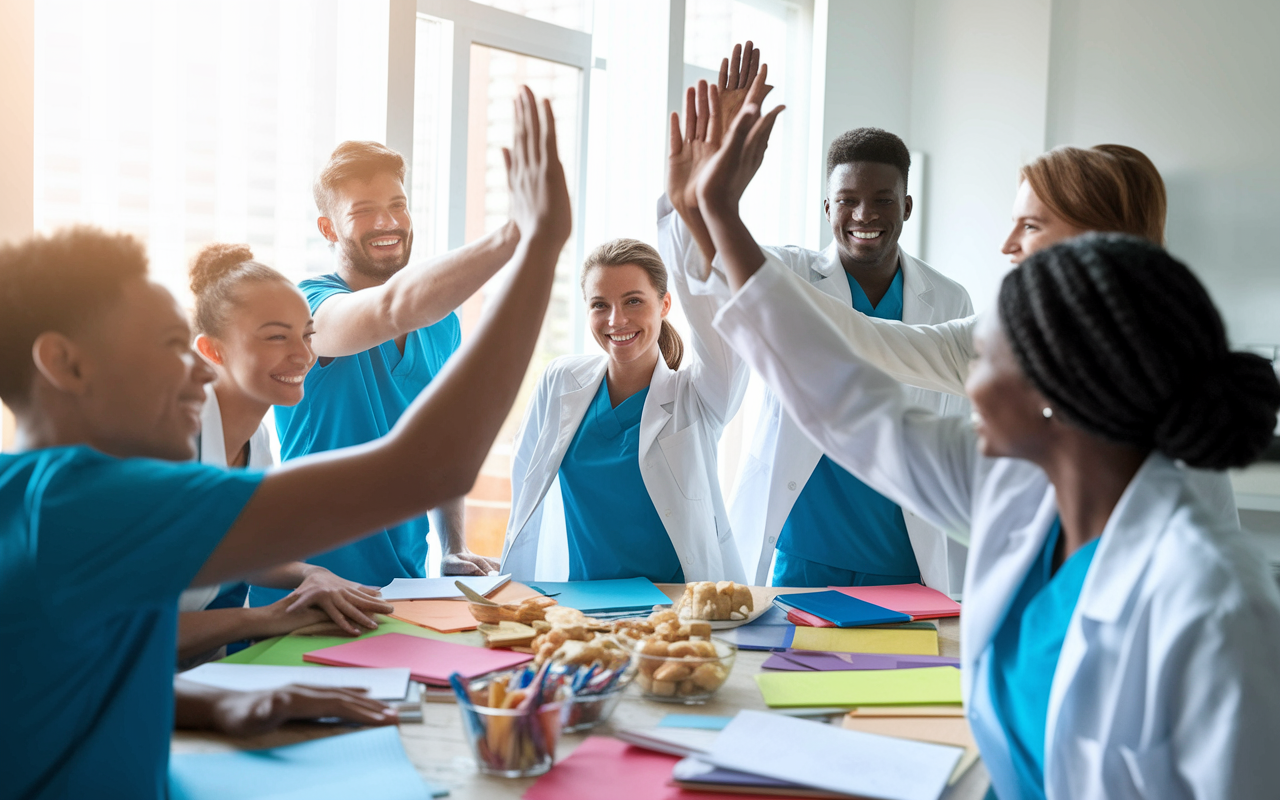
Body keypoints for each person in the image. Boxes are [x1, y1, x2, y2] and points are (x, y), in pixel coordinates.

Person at [696, 99, 1280, 799]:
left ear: (1062, 376)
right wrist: (719, 216)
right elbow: (852, 406)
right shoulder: (1013, 487)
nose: (967, 386)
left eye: (987, 363)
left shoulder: (1219, 604)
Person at [0, 87, 571, 800]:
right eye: (172, 346)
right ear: (66, 363)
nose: (196, 371)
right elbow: (429, 466)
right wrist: (538, 242)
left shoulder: (43, 497)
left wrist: (217, 703)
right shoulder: (85, 502)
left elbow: (79, 665)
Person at [665, 44, 973, 591]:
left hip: (906, 556)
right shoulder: (790, 271)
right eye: (847, 199)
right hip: (802, 548)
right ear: (827, 207)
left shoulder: (949, 301)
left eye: (883, 199)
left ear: (907, 205)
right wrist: (695, 198)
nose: (865, 215)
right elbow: (707, 273)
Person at [255, 137, 514, 606]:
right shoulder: (307, 306)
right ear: (328, 229)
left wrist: (453, 547)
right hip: (311, 588)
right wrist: (518, 235)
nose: (388, 222)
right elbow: (391, 310)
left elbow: (444, 444)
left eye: (398, 205)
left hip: (403, 585)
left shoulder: (442, 323)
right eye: (363, 211)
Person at [176, 243, 394, 670]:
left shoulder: (255, 439)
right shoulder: (171, 447)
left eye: (307, 334)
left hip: (195, 675)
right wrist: (272, 618)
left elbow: (238, 550)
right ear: (213, 350)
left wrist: (310, 574)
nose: (303, 354)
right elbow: (125, 629)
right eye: (277, 336)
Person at [499, 237, 747, 582]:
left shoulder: (697, 395)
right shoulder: (560, 381)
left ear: (665, 304)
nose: (616, 320)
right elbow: (525, 486)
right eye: (600, 305)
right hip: (578, 606)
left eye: (633, 301)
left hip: (674, 610)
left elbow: (725, 332)